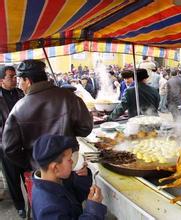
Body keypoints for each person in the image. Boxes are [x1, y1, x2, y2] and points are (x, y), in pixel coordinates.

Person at [2, 59, 93, 171]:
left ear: (28, 81)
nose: (19, 85)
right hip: (69, 161)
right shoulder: (69, 97)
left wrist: (32, 163)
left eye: (20, 80)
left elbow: (10, 149)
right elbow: (85, 129)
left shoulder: (18, 109)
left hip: (42, 168)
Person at [32, 134, 107, 219]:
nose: (72, 162)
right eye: (69, 159)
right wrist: (93, 210)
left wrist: (81, 177)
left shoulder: (56, 181)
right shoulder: (49, 209)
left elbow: (75, 198)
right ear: (56, 168)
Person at [0, 66, 26, 218]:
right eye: (11, 77)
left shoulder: (20, 93)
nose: (15, 79)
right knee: (12, 178)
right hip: (5, 145)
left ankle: (31, 200)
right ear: (1, 80)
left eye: (16, 76)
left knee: (27, 173)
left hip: (24, 143)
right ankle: (20, 206)